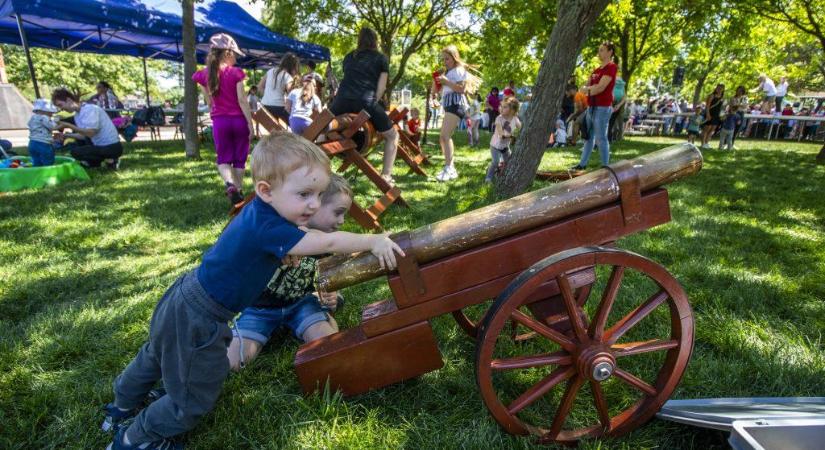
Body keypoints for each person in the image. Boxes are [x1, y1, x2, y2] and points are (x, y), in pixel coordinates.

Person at [102, 132, 404, 450]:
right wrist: (373, 240)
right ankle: (135, 439)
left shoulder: (263, 214)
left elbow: (283, 240)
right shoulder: (269, 226)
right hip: (200, 315)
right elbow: (327, 242)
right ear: (265, 190)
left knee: (156, 356)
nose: (314, 204)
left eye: (318, 194)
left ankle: (120, 407)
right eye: (304, 194)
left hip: (183, 297)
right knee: (193, 398)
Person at [227, 174, 353, 370]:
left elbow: (325, 278)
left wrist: (332, 294)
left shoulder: (327, 242)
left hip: (301, 304)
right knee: (233, 361)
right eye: (338, 212)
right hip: (260, 309)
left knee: (330, 346)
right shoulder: (281, 232)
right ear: (315, 205)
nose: (342, 220)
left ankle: (317, 321)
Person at [329, 27, 398, 183]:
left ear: (359, 40)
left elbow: (348, 79)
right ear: (375, 41)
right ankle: (386, 176)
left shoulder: (348, 57)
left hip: (341, 101)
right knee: (392, 135)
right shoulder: (381, 58)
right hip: (366, 101)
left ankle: (319, 167)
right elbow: (381, 88)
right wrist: (373, 106)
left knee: (321, 127)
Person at [193, 33, 255, 206]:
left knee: (223, 159)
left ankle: (230, 184)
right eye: (234, 54)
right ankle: (239, 190)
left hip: (220, 122)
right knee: (240, 158)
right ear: (227, 53)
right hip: (239, 121)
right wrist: (250, 123)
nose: (236, 57)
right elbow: (243, 100)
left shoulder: (203, 75)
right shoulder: (236, 73)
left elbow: (209, 102)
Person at [433, 45, 480, 182]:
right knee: (443, 138)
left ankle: (449, 168)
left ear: (454, 58)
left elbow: (461, 89)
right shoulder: (447, 73)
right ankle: (450, 167)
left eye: (447, 59)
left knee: (445, 136)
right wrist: (436, 83)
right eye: (443, 59)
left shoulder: (459, 70)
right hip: (448, 104)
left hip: (456, 103)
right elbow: (437, 92)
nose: (444, 61)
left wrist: (446, 81)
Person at [571, 41, 618, 170]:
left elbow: (600, 88)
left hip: (603, 107)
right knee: (588, 137)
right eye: (599, 50)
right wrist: (589, 88)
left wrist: (587, 89)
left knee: (601, 137)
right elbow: (585, 87)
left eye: (602, 50)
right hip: (591, 107)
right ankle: (582, 164)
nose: (599, 52)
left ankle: (605, 166)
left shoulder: (611, 67)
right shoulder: (596, 70)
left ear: (610, 52)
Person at [52, 89, 123, 169]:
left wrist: (68, 125)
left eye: (60, 105)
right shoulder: (77, 115)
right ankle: (95, 163)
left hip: (112, 147)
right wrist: (65, 135)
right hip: (100, 145)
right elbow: (84, 136)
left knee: (76, 152)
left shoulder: (90, 109)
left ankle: (112, 160)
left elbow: (90, 133)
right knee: (79, 145)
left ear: (69, 100)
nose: (61, 109)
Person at [485, 97, 520, 183]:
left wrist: (519, 133)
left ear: (512, 110)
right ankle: (488, 178)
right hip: (495, 146)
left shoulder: (515, 119)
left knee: (510, 162)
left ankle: (500, 174)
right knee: (495, 161)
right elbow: (501, 135)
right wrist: (512, 136)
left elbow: (521, 128)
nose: (501, 108)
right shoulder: (499, 119)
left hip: (505, 147)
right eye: (501, 106)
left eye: (504, 107)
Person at [259, 52, 300, 123]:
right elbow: (292, 94)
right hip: (278, 107)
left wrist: (267, 96)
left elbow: (260, 87)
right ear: (293, 66)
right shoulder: (287, 76)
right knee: (293, 123)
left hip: (264, 105)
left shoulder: (270, 71)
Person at [27, 99, 59, 167]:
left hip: (32, 142)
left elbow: (29, 125)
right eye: (51, 112)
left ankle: (38, 173)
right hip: (43, 143)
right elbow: (52, 126)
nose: (52, 114)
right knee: (48, 160)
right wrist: (56, 121)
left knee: (36, 160)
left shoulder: (33, 117)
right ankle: (49, 173)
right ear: (44, 111)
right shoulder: (44, 117)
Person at [700, 84, 725, 150]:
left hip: (717, 115)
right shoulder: (711, 96)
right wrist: (708, 114)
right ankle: (702, 144)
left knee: (712, 129)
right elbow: (707, 106)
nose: (719, 89)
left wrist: (722, 115)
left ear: (723, 90)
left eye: (721, 88)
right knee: (707, 129)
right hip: (710, 113)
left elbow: (722, 107)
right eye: (718, 88)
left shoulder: (722, 98)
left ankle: (706, 143)